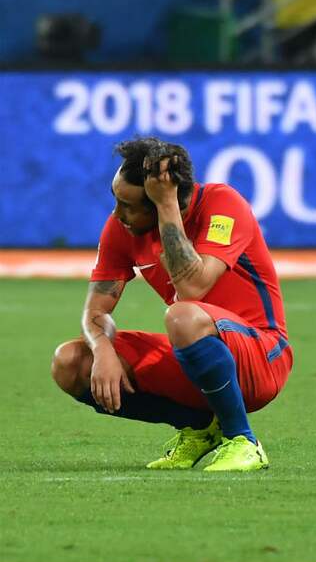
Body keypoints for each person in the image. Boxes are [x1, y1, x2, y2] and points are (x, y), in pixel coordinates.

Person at [51, 136, 293, 471]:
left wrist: (167, 207)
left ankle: (243, 441)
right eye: (116, 201)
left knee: (182, 316)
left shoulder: (223, 204)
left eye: (130, 206)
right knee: (70, 362)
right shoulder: (122, 229)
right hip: (196, 353)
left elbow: (193, 287)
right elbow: (96, 311)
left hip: (262, 356)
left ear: (164, 200)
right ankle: (198, 427)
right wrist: (103, 348)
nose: (117, 214)